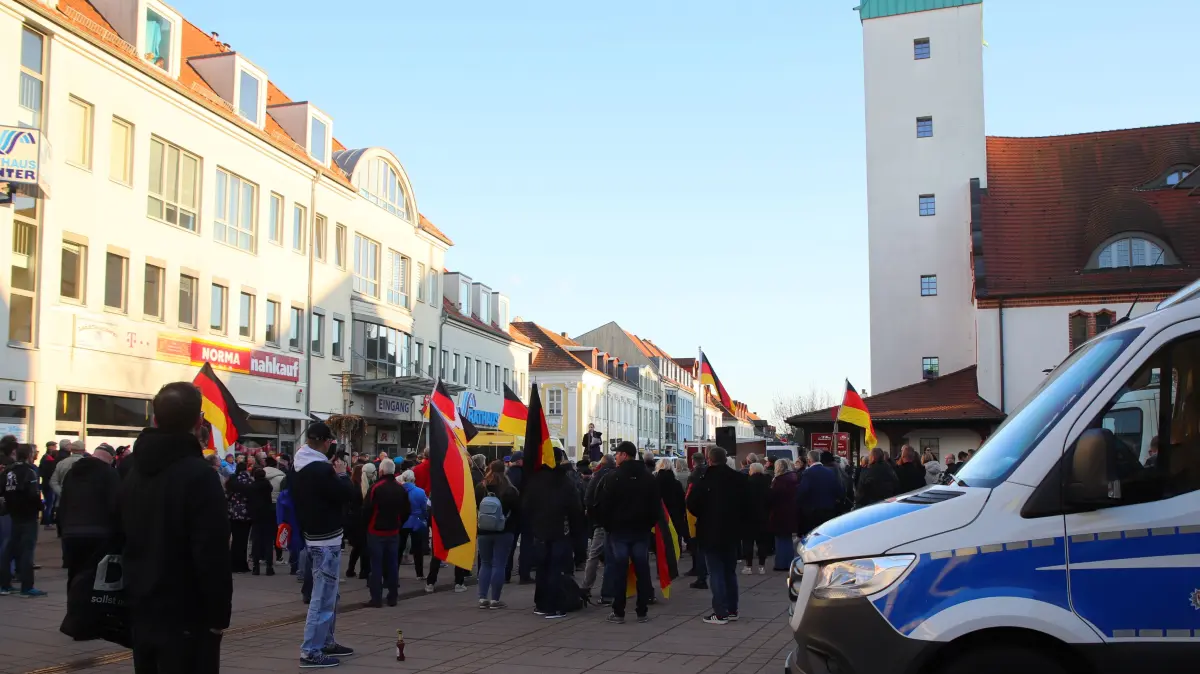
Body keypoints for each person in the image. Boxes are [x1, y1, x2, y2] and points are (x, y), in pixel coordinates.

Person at [120, 382, 232, 673]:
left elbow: (120, 535)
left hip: (142, 606)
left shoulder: (132, 471)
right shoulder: (199, 476)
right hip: (187, 613)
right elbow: (212, 552)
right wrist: (218, 616)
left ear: (155, 419)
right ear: (198, 422)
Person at [292, 422, 355, 668]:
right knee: (323, 596)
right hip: (326, 538)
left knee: (329, 593)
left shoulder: (299, 464)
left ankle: (325, 640)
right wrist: (341, 473)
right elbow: (346, 494)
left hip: (313, 534)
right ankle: (311, 650)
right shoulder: (321, 469)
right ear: (327, 442)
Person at [594, 441, 660, 624]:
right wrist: (648, 525)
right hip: (640, 531)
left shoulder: (613, 477)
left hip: (619, 531)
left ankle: (619, 611)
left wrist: (608, 526)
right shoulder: (648, 478)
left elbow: (603, 505)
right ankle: (642, 611)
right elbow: (656, 507)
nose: (615, 457)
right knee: (642, 569)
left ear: (624, 455)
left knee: (619, 570)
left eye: (617, 454)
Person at [687, 446, 747, 625]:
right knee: (730, 571)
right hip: (732, 531)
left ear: (709, 459)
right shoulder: (738, 478)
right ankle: (732, 609)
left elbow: (691, 503)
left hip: (710, 530)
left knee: (716, 572)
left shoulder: (704, 479)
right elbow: (748, 502)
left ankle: (720, 612)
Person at [525, 449, 584, 619]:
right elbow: (575, 509)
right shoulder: (564, 481)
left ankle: (541, 604)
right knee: (556, 568)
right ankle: (554, 606)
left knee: (542, 568)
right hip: (560, 532)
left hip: (540, 532)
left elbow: (526, 506)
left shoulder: (535, 480)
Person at [58, 443, 120, 587]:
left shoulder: (72, 473)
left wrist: (63, 529)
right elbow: (115, 505)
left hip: (71, 533)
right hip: (99, 534)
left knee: (74, 575)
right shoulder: (109, 474)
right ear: (110, 458)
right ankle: (89, 608)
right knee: (94, 577)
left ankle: (73, 607)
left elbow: (64, 502)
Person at [361, 458, 409, 608]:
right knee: (393, 564)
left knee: (376, 565)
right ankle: (392, 597)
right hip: (393, 531)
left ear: (380, 471)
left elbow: (366, 510)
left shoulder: (376, 488)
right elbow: (407, 510)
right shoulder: (400, 488)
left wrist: (365, 526)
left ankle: (376, 598)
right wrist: (399, 523)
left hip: (376, 531)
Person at [0, 444, 47, 597]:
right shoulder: (29, 472)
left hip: (13, 515)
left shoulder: (8, 471)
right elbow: (33, 495)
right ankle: (26, 587)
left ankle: (4, 585)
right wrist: (41, 507)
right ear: (29, 455)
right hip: (28, 516)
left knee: (9, 550)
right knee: (27, 550)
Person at [474, 460, 519, 609]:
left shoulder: (481, 488)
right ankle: (495, 599)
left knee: (485, 563)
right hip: (504, 531)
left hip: (483, 531)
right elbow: (517, 511)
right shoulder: (510, 489)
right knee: (499, 564)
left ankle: (482, 598)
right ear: (505, 470)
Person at [581, 454, 615, 604]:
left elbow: (588, 498)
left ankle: (586, 586)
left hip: (599, 522)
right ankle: (612, 590)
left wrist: (593, 516)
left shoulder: (597, 476)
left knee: (594, 555)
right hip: (614, 522)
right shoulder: (616, 476)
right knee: (613, 556)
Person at [397, 470, 430, 582]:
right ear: (413, 479)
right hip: (417, 521)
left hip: (402, 521)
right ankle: (419, 573)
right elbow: (425, 508)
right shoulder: (420, 492)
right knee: (418, 549)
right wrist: (425, 518)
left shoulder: (399, 491)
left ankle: (394, 572)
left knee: (399, 548)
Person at [767, 459, 799, 571]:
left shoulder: (778, 481)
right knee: (787, 539)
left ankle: (781, 563)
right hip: (790, 511)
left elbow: (772, 497)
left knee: (780, 540)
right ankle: (789, 562)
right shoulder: (793, 478)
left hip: (779, 512)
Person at [742, 463, 773, 575]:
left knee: (748, 542)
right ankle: (762, 566)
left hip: (748, 517)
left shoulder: (746, 483)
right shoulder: (767, 483)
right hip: (763, 516)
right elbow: (771, 500)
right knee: (762, 542)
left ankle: (748, 566)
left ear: (752, 470)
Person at [225, 460, 254, 574]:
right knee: (243, 541)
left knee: (235, 540)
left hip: (232, 514)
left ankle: (232, 564)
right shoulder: (248, 482)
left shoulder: (232, 481)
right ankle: (241, 565)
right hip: (245, 515)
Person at [685, 456, 709, 589]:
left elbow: (690, 498)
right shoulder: (707, 474)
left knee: (698, 547)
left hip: (698, 517)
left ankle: (701, 576)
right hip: (715, 517)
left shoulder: (694, 476)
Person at [249, 468, 276, 576]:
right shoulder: (268, 486)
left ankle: (256, 567)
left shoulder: (252, 487)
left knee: (256, 541)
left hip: (256, 515)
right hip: (268, 514)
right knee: (268, 541)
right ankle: (269, 567)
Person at [344, 465, 370, 580]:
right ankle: (363, 571)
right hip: (361, 519)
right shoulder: (361, 487)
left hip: (353, 519)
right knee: (363, 546)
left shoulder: (351, 485)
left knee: (357, 547)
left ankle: (351, 569)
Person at [655, 458, 687, 550]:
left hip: (660, 513)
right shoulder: (676, 483)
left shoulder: (655, 482)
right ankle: (677, 549)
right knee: (676, 533)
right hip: (675, 513)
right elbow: (682, 500)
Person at [38, 441, 58, 529]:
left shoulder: (47, 457)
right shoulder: (47, 458)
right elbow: (46, 472)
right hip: (48, 484)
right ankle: (47, 522)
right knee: (49, 503)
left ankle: (47, 520)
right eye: (54, 446)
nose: (55, 448)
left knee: (49, 503)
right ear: (50, 447)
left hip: (46, 483)